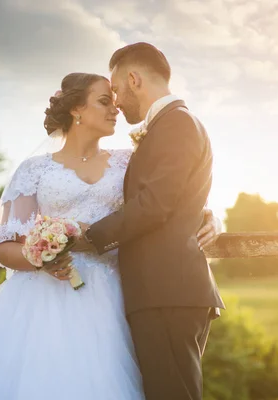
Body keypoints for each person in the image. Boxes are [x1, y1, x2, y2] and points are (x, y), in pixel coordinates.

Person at [0, 72, 221, 400]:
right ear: (77, 110)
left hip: (115, 294)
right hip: (44, 298)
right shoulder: (35, 170)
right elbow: (3, 244)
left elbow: (170, 193)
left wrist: (211, 214)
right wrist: (39, 257)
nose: (116, 109)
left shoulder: (126, 162)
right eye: (105, 101)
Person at [74, 42, 226, 400]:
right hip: (163, 290)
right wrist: (207, 213)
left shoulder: (176, 124)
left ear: (133, 79)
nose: (116, 101)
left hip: (167, 290)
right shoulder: (171, 125)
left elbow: (156, 204)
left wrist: (90, 236)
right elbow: (177, 194)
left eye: (115, 89)